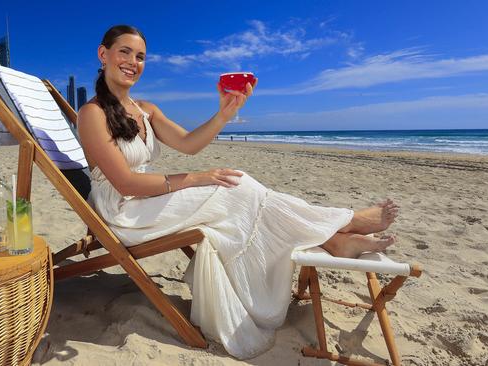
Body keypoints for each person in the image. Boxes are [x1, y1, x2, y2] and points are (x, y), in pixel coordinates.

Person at [77, 25, 399, 359]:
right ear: (104, 55)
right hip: (125, 212)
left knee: (237, 184)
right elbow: (125, 183)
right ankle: (342, 227)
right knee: (235, 186)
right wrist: (197, 178)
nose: (133, 61)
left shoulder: (146, 109)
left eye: (140, 56)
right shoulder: (92, 113)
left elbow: (189, 145)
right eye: (124, 52)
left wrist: (224, 113)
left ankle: (336, 237)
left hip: (147, 200)